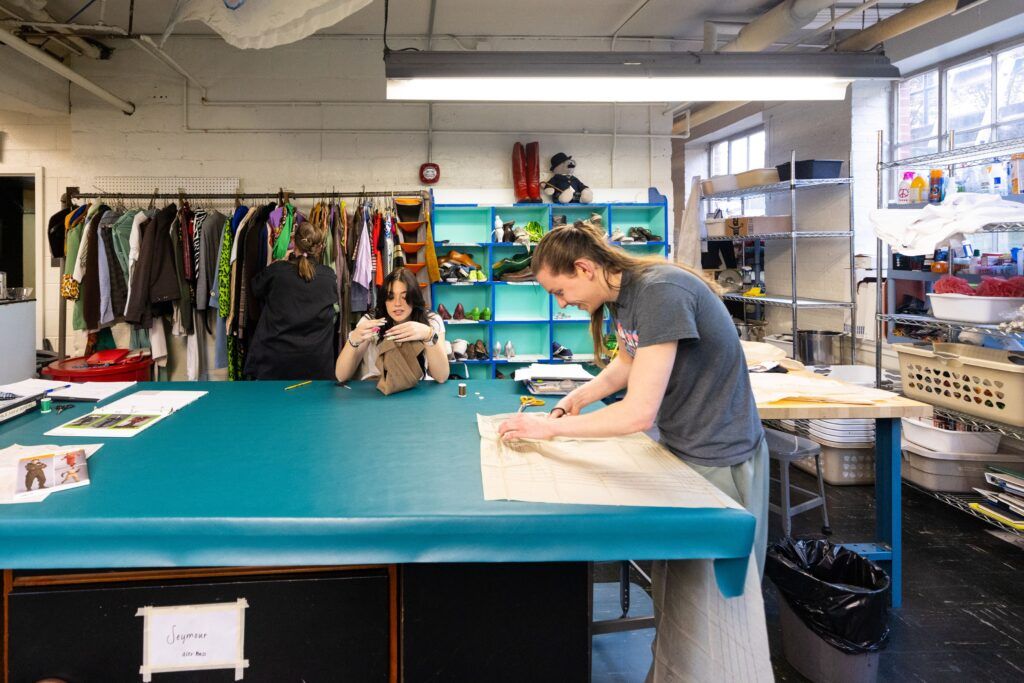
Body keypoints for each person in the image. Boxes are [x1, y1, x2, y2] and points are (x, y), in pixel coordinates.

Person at [497, 222, 770, 681]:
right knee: (680, 592)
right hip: (685, 450)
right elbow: (626, 363)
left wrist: (547, 429)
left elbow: (638, 413)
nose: (562, 304)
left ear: (584, 268)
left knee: (717, 606)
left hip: (720, 458)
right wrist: (573, 400)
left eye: (560, 291)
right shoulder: (628, 295)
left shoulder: (661, 290)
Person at [244, 221, 339, 380]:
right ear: (320, 247)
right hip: (317, 363)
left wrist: (279, 262)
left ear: (293, 241)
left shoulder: (277, 271)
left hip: (275, 363)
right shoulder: (329, 277)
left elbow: (255, 288)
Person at [335, 267, 449, 383]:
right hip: (376, 390)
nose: (397, 304)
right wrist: (353, 339)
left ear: (414, 297)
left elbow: (441, 376)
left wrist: (428, 335)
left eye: (404, 297)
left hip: (417, 390)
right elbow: (341, 376)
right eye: (390, 297)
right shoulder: (371, 322)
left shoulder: (431, 321)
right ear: (384, 299)